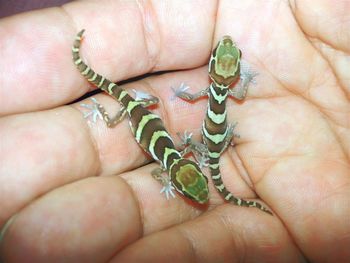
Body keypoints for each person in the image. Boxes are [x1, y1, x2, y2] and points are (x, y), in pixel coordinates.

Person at [0, 1, 349, 262]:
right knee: (111, 105)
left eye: (192, 188)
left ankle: (87, 71)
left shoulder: (175, 156)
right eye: (194, 186)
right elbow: (161, 169)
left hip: (146, 112)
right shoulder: (171, 161)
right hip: (136, 109)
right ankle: (83, 68)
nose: (199, 193)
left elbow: (167, 161)